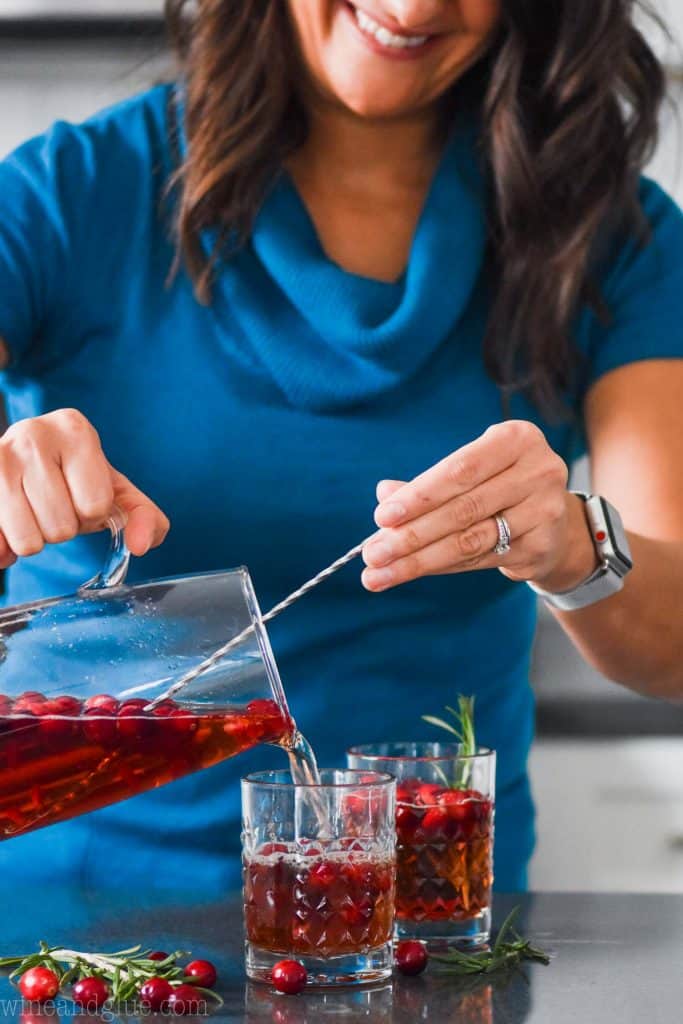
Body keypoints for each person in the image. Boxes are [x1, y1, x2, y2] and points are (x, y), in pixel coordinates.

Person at [0, 0, 682, 893]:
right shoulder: (70, 191)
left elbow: (670, 646)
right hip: (73, 933)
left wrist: (568, 544)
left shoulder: (610, 239)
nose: (412, 7)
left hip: (425, 928)